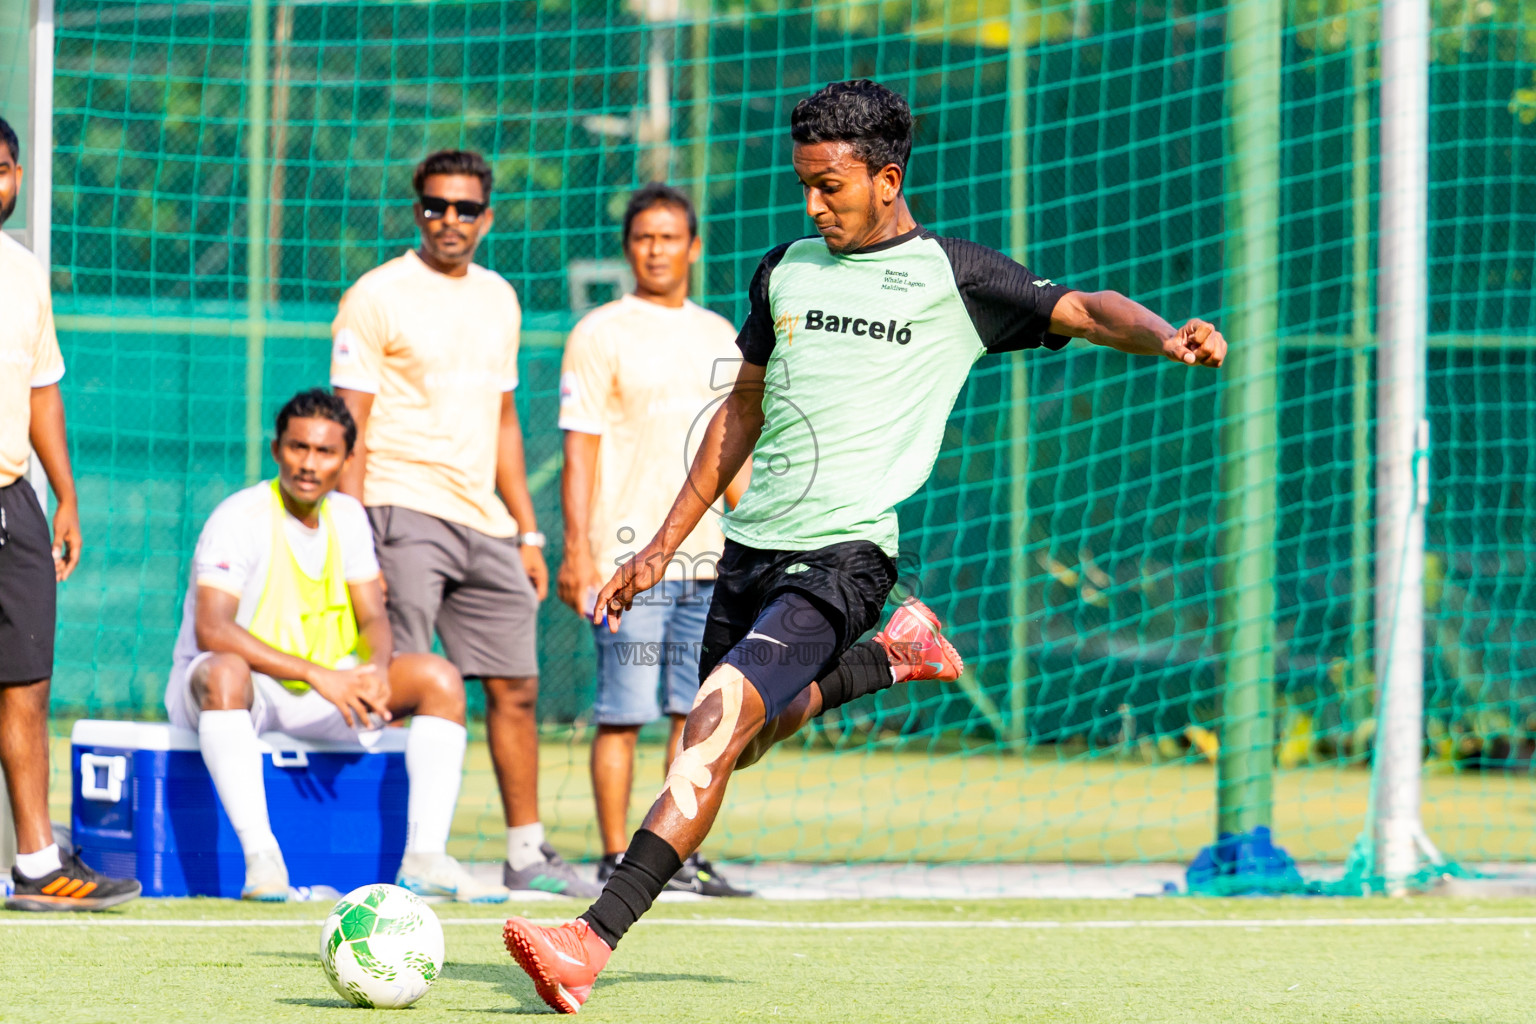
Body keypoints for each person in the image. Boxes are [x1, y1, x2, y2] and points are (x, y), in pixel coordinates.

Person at [503, 79, 1228, 1013]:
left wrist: (1170, 338)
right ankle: (888, 659)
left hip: (846, 557)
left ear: (887, 179)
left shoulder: (954, 277)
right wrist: (660, 546)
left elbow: (1089, 309)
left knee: (712, 722)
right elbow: (743, 412)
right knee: (739, 746)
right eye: (803, 183)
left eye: (830, 186)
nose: (812, 203)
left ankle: (588, 940)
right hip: (747, 549)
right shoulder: (783, 270)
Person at [331, 150, 596, 897]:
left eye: (466, 208)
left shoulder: (500, 299)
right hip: (399, 507)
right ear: (417, 209)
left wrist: (529, 530)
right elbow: (350, 424)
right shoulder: (375, 295)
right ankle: (412, 856)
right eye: (436, 206)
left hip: (485, 522)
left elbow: (505, 420)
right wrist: (358, 538)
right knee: (411, 684)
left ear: (487, 216)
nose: (450, 220)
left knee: (516, 686)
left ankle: (525, 851)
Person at [164, 390, 505, 902]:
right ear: (277, 449)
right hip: (239, 691)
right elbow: (213, 631)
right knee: (224, 669)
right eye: (298, 448)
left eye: (325, 452)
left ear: (347, 460)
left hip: (327, 691)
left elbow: (373, 616)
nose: (309, 463)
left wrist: (375, 667)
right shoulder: (238, 518)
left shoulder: (348, 516)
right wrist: (321, 675)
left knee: (440, 679)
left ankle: (425, 860)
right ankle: (263, 862)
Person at [557, 183, 750, 898]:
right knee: (623, 713)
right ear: (629, 246)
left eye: (671, 237)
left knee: (693, 716)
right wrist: (580, 553)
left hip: (709, 563)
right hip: (625, 561)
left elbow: (735, 451)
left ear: (694, 247)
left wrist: (755, 545)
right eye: (645, 237)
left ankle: (673, 857)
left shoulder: (720, 334)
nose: (658, 249)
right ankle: (615, 858)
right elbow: (579, 454)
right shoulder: (600, 333)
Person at [0, 116, 140, 912]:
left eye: (1, 168)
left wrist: (65, 497)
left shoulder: (23, 273)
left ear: (15, 177)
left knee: (26, 686)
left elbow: (41, 386)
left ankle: (35, 866)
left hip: (15, 498)